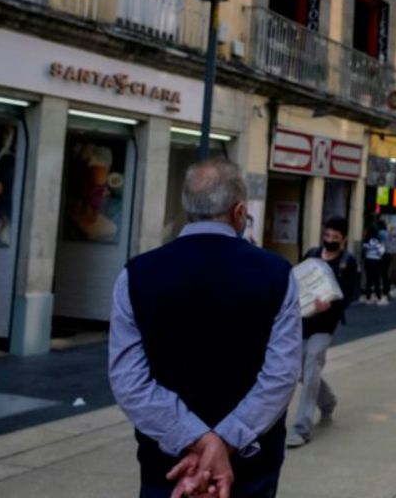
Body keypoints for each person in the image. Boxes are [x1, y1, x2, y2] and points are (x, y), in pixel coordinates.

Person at [109, 158, 300, 498]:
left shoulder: (137, 275)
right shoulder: (276, 274)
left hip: (167, 465)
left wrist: (194, 439)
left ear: (188, 210)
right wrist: (224, 441)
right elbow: (281, 374)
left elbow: (128, 379)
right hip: (249, 466)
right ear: (240, 212)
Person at [288, 216, 356, 448]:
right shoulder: (311, 255)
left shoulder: (348, 262)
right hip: (304, 321)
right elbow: (298, 280)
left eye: (335, 238)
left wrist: (331, 304)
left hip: (326, 325)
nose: (329, 241)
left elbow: (350, 293)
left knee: (311, 365)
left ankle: (301, 428)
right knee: (299, 370)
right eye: (327, 236)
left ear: (343, 239)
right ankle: (327, 402)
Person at [361, 225, 389, 306]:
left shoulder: (366, 240)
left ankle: (368, 298)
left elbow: (364, 251)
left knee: (369, 280)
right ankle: (379, 298)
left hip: (368, 261)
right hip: (377, 261)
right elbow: (381, 251)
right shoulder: (378, 240)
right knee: (377, 280)